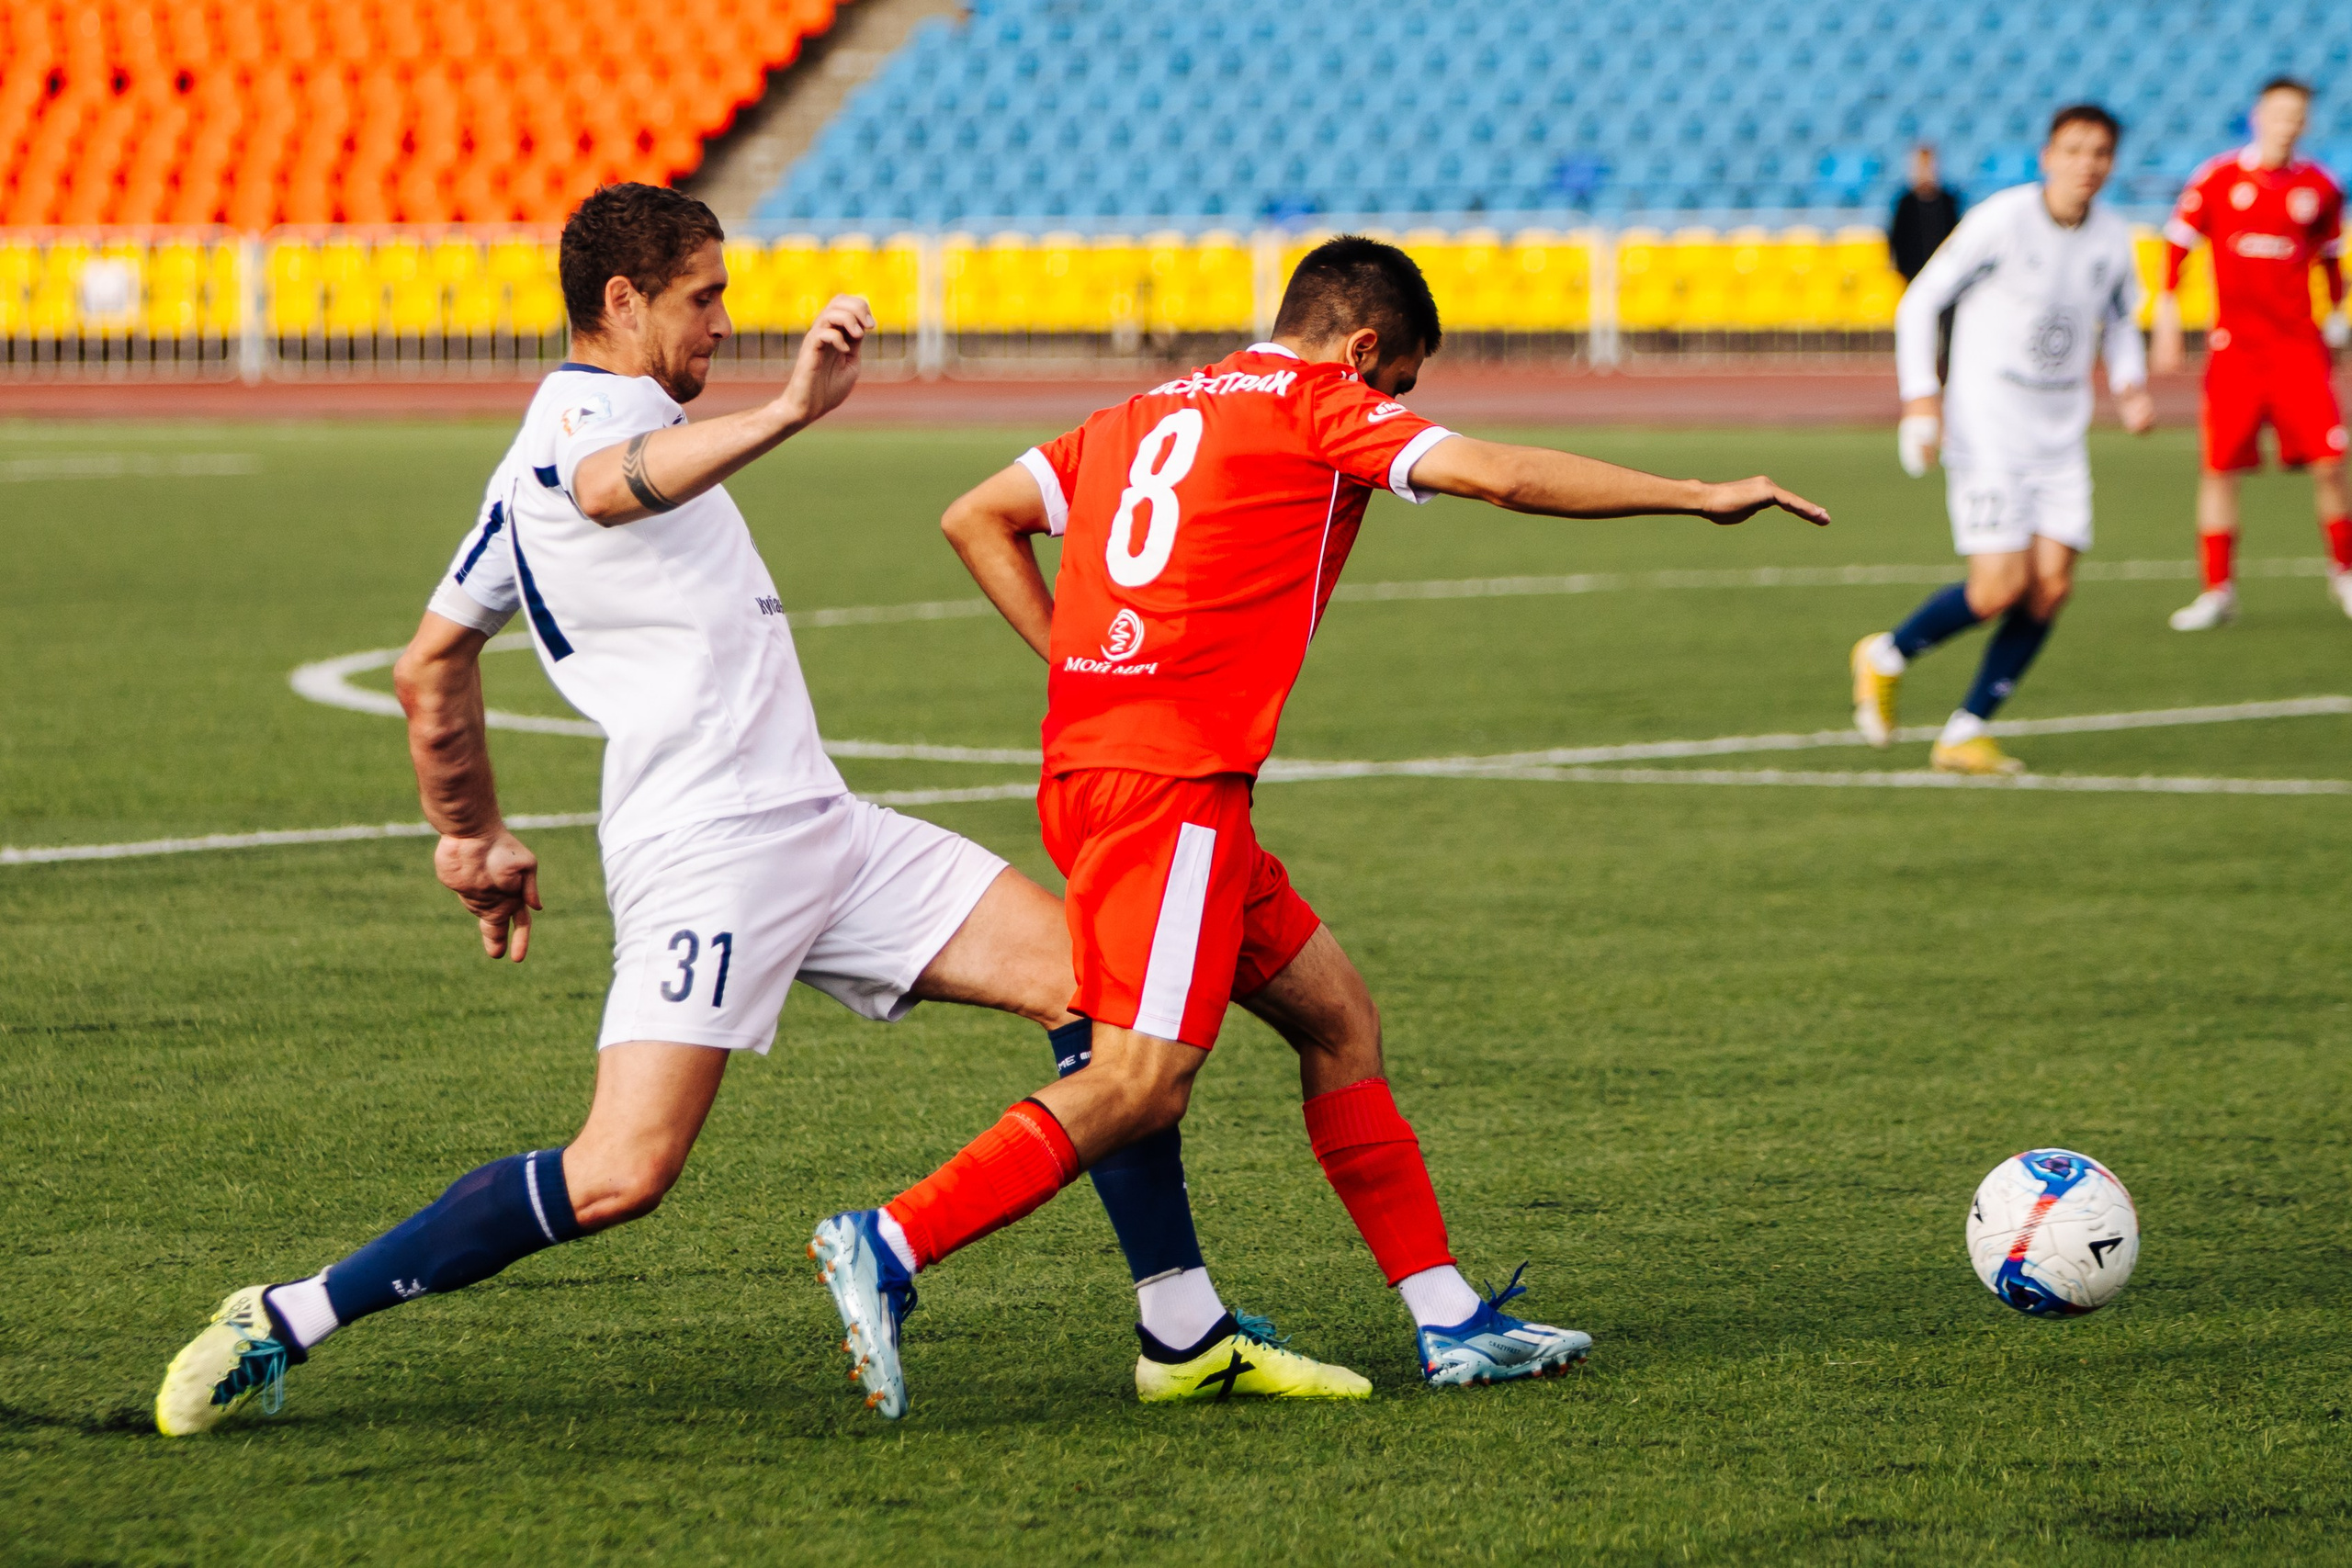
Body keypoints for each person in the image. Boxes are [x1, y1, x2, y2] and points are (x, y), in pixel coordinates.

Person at [153, 186, 1363, 1438]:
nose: (725, 321)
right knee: (621, 1170)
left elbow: (429, 663)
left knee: (1100, 1002)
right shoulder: (581, 420)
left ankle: (1183, 1330)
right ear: (621, 302)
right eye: (704, 296)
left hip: (821, 825)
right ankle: (286, 1313)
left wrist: (471, 829)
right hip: (709, 845)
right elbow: (616, 485)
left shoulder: (534, 465)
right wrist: (790, 410)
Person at [808, 235, 1832, 1420]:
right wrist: (1700, 494)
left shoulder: (1146, 411)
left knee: (1338, 1016)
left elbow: (975, 516)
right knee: (1139, 1079)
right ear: (1359, 350)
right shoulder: (1313, 404)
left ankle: (1449, 1318)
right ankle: (889, 1242)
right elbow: (1496, 474)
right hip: (1170, 786)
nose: (1393, 410)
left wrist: (1083, 667)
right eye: (1396, 386)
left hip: (1123, 772)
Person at [1852, 105, 2156, 776]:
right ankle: (1884, 656)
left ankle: (1965, 731)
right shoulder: (2001, 220)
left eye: (2100, 152)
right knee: (1997, 588)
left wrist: (2131, 386)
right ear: (2047, 155)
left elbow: (2123, 319)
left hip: (2061, 435)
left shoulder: (2112, 238)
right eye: (2074, 149)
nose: (2087, 163)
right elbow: (1920, 301)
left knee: (2049, 589)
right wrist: (1921, 401)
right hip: (1988, 425)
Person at [2154, 77, 2352, 631]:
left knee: (2331, 464)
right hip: (2236, 352)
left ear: (2305, 123)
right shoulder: (2219, 178)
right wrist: (2167, 311)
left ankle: (2345, 574)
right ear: (2259, 116)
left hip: (2297, 350)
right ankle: (2218, 592)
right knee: (2218, 471)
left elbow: (2332, 257)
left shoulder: (2319, 186)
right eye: (2278, 112)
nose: (2287, 122)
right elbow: (2177, 242)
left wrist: (2336, 314)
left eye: (2297, 115)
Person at [1890, 144, 1964, 379]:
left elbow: (1958, 237)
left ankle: (1946, 375)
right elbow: (1896, 239)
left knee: (1949, 328)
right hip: (1914, 276)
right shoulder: (1905, 202)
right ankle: (1919, 375)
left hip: (1947, 276)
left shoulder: (1948, 200)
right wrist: (1905, 271)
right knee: (1919, 329)